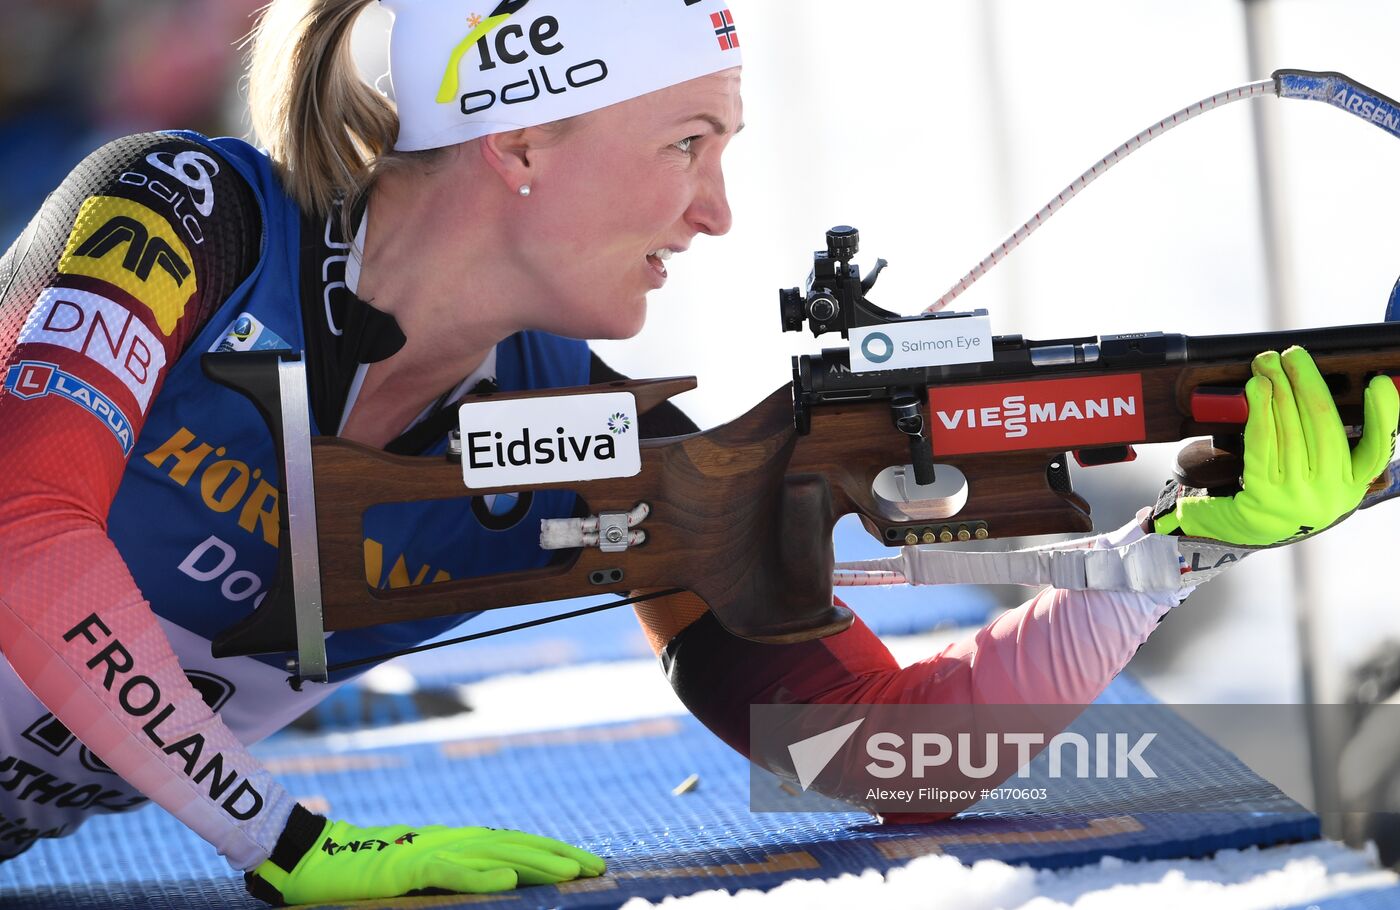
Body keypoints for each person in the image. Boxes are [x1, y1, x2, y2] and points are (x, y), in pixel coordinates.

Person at [0, 0, 1393, 905]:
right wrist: (280, 838)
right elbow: (27, 533)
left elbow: (879, 758)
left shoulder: (600, 442)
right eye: (687, 141)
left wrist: (1166, 558)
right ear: (523, 139)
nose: (719, 210)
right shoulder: (187, 217)